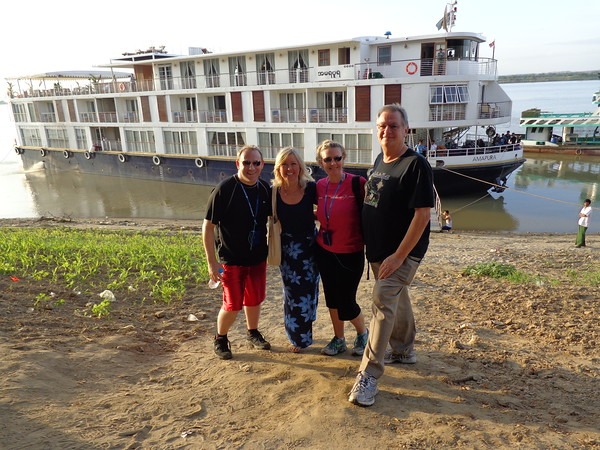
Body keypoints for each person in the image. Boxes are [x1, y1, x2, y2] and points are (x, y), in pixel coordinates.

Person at [348, 104, 434, 407]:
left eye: (393, 126)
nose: (386, 131)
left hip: (401, 252)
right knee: (397, 297)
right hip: (379, 250)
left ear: (406, 129)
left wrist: (399, 256)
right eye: (382, 126)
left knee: (383, 301)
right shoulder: (381, 160)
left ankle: (369, 375)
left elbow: (423, 215)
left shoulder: (415, 165)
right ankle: (404, 349)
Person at [203, 145, 272, 360]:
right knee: (232, 304)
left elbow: (276, 218)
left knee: (254, 300)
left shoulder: (264, 189)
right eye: (246, 163)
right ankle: (220, 338)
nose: (251, 167)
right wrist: (211, 263)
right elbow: (207, 227)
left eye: (256, 163)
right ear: (237, 164)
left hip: (258, 257)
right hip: (231, 259)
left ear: (262, 165)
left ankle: (253, 332)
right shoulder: (224, 189)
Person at [314, 140, 369, 357]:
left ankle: (363, 333)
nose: (333, 163)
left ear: (343, 158)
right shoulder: (319, 186)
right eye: (328, 159)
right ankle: (339, 339)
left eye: (337, 158)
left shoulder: (358, 183)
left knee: (347, 301)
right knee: (332, 299)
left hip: (351, 251)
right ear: (321, 162)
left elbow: (374, 213)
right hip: (325, 250)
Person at [272, 147, 320, 352]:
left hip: (310, 248)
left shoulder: (310, 188)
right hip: (287, 251)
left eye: (293, 164)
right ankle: (298, 339)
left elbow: (327, 209)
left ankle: (306, 330)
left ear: (300, 166)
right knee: (291, 294)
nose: (289, 168)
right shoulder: (273, 191)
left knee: (309, 292)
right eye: (285, 164)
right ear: (278, 168)